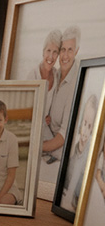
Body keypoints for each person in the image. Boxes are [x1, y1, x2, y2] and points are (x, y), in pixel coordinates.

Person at [43, 26, 81, 165]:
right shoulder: (55, 74)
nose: (65, 56)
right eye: (62, 50)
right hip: (49, 136)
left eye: (70, 50)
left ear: (76, 51)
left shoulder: (75, 82)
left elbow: (63, 136)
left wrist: (38, 147)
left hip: (61, 147)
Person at [62, 94, 98, 211]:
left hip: (74, 200)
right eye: (84, 123)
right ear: (81, 122)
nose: (86, 131)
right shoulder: (74, 144)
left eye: (89, 126)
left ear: (93, 128)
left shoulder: (89, 153)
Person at [27, 28, 62, 136]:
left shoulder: (56, 75)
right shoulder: (33, 75)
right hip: (31, 127)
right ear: (43, 52)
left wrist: (50, 117)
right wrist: (41, 120)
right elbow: (27, 110)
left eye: (55, 52)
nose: (51, 57)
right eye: (48, 51)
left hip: (46, 128)